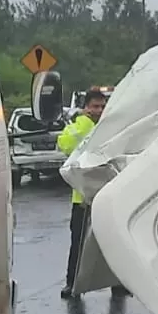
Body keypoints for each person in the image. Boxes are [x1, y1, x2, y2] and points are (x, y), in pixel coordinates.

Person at [58, 89, 107, 298]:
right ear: (86, 107)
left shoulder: (111, 125)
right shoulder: (82, 125)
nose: (99, 110)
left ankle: (118, 284)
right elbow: (65, 144)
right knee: (79, 244)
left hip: (106, 195)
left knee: (111, 243)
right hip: (84, 198)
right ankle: (73, 283)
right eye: (95, 106)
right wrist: (85, 124)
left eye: (102, 106)